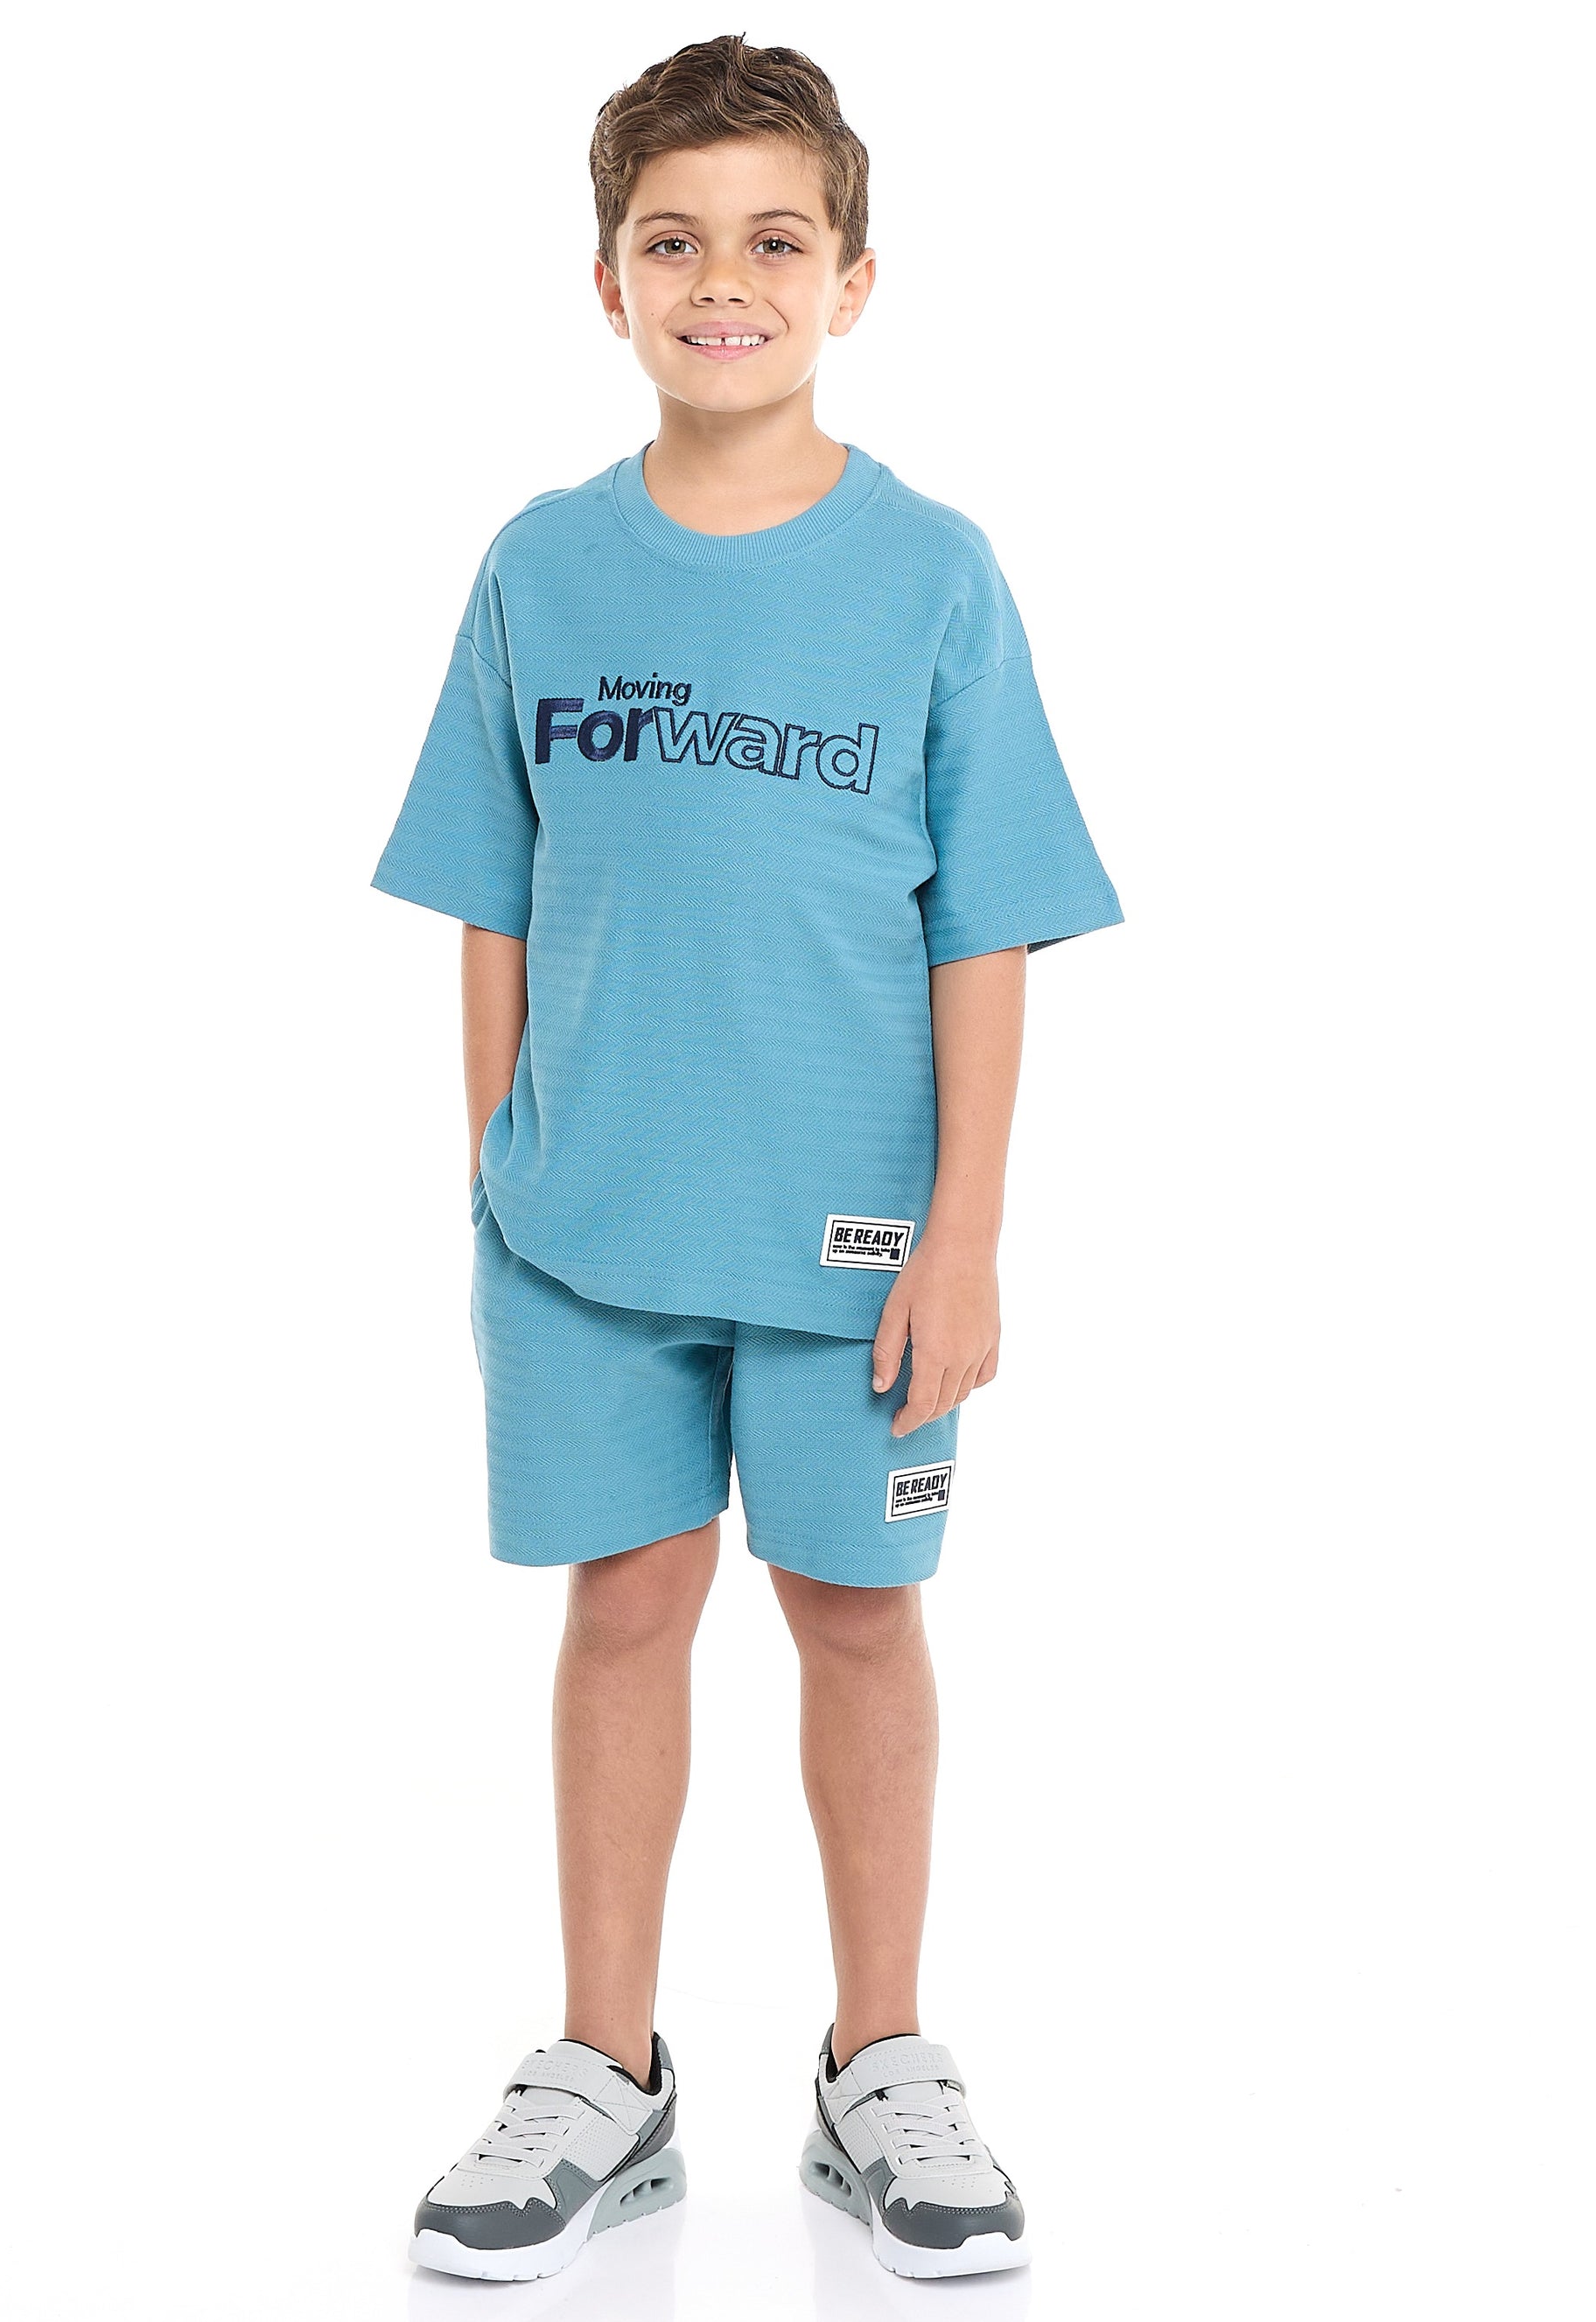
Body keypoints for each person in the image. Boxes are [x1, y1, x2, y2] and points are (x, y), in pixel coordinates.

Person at [372, 32, 1121, 2284]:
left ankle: (877, 2061)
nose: (723, 282)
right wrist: (497, 1165)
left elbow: (984, 923)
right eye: (673, 241)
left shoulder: (934, 576)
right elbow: (488, 893)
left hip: (853, 1243)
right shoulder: (538, 566)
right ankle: (605, 2072)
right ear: (604, 279)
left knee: (859, 1617)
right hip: (581, 1232)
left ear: (852, 280)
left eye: (773, 241)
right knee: (622, 1610)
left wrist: (963, 1237)